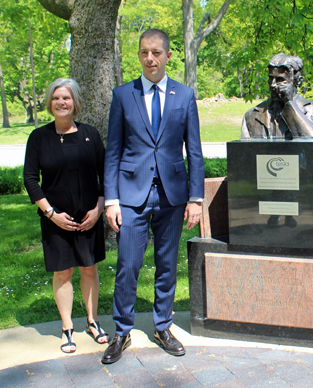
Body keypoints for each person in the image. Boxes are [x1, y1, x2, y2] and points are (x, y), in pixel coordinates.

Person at [102, 28, 204, 364]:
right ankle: (121, 331)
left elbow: (196, 152)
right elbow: (113, 152)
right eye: (144, 52)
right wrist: (112, 200)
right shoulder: (123, 95)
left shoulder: (185, 95)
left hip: (173, 195)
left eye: (157, 52)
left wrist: (196, 198)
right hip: (131, 195)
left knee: (166, 265)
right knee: (127, 265)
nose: (150, 59)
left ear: (168, 56)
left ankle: (163, 326)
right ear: (139, 56)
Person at [24, 78, 109, 354]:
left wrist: (98, 209)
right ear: (50, 103)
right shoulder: (38, 137)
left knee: (89, 268)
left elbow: (105, 174)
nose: (61, 102)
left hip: (88, 218)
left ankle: (93, 322)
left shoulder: (90, 134)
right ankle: (67, 328)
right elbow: (30, 179)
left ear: (76, 103)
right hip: (55, 219)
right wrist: (50, 213)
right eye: (56, 98)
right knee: (62, 272)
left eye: (67, 98)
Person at [241, 53, 313, 139]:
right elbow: (244, 153)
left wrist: (289, 104)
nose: (273, 84)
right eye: (270, 78)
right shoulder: (251, 115)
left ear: (298, 82)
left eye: (280, 80)